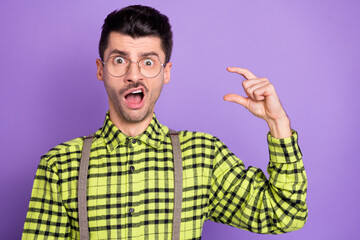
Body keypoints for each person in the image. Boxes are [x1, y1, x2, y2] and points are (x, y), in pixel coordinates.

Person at [22, 5, 307, 240]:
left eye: (148, 62)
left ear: (165, 72)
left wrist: (278, 123)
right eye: (120, 60)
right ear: (101, 70)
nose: (134, 75)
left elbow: (285, 215)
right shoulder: (59, 166)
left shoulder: (202, 156)